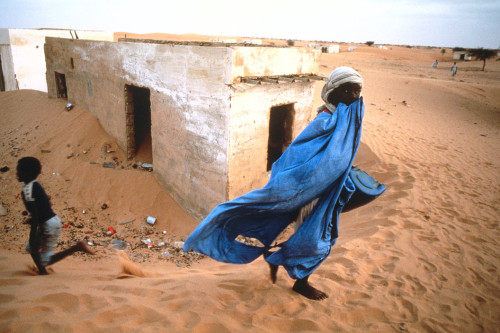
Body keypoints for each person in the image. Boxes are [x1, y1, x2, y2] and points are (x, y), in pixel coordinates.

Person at [183, 67, 366, 300]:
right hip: (304, 190)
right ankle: (293, 276)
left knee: (320, 240)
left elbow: (339, 156)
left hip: (328, 192)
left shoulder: (350, 120)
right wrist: (310, 181)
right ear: (332, 91)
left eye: (356, 90)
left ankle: (285, 267)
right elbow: (299, 157)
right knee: (314, 242)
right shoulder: (325, 122)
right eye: (346, 89)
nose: (351, 95)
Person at [17, 157, 95, 275]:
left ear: (27, 173)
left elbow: (35, 213)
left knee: (40, 254)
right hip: (51, 222)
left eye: (19, 170)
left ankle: (75, 248)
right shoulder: (36, 185)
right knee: (32, 249)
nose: (16, 173)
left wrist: (33, 233)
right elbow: (46, 202)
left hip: (47, 225)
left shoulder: (27, 190)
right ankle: (42, 270)